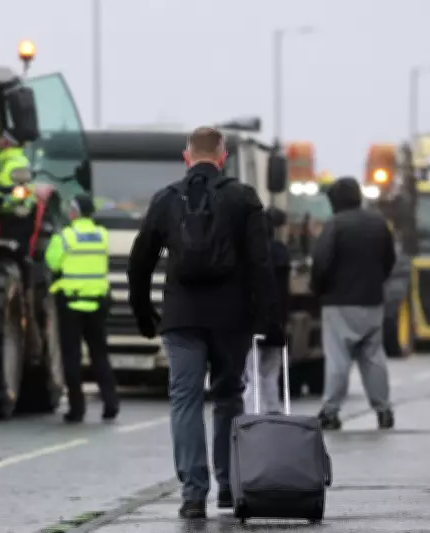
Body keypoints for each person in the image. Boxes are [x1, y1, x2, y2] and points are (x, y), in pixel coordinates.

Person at [127, 126, 283, 520]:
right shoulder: (243, 198)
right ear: (222, 156)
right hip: (231, 317)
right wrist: (270, 319)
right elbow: (261, 263)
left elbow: (140, 262)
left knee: (185, 399)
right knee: (229, 395)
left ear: (187, 157)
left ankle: (193, 494)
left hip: (181, 317)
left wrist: (144, 313)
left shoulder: (166, 199)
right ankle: (229, 485)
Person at [311, 176, 396, 431]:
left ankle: (330, 411)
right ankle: (383, 410)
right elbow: (389, 259)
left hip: (339, 303)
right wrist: (376, 282)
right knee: (373, 357)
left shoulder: (335, 225)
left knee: (338, 357)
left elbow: (321, 262)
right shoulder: (379, 223)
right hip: (372, 301)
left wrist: (318, 289)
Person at [45, 193, 119, 424]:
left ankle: (77, 409)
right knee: (100, 354)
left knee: (72, 356)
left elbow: (52, 262)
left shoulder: (65, 237)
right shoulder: (102, 235)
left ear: (74, 212)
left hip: (71, 303)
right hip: (97, 302)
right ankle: (111, 404)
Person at [243, 207, 291, 414]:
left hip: (253, 320)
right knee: (271, 371)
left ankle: (252, 413)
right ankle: (273, 410)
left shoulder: (247, 252)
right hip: (277, 320)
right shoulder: (281, 252)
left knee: (252, 374)